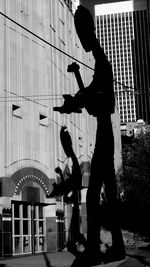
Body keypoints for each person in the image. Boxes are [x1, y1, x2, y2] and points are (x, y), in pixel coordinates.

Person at [54, 5, 125, 266]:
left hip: (105, 134)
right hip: (103, 132)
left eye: (82, 34)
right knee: (108, 193)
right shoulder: (99, 65)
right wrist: (74, 99)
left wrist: (80, 97)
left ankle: (96, 249)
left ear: (88, 32)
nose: (82, 40)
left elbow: (102, 101)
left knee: (95, 193)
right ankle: (116, 246)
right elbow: (90, 100)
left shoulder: (103, 63)